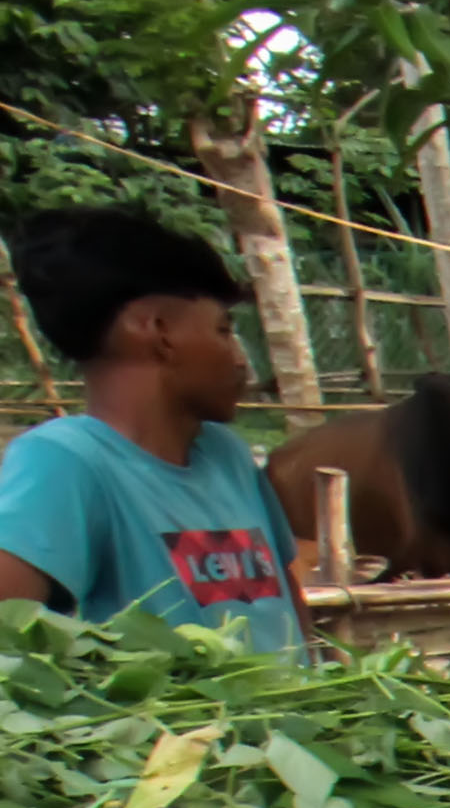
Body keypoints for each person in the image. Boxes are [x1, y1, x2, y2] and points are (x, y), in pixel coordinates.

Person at [0, 207, 311, 652]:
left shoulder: (229, 457)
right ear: (157, 331)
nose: (241, 360)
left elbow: (286, 606)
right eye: (224, 330)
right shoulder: (65, 462)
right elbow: (8, 649)